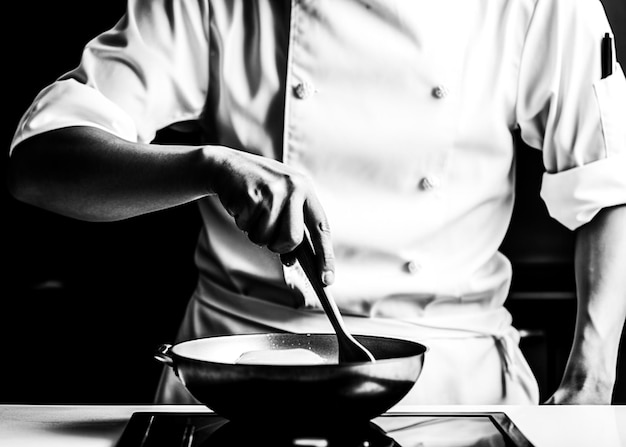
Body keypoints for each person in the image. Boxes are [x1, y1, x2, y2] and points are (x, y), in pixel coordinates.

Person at [7, 0, 626, 405]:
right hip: (236, 378)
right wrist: (207, 166)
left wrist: (590, 385)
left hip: (450, 385)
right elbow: (38, 166)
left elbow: (607, 186)